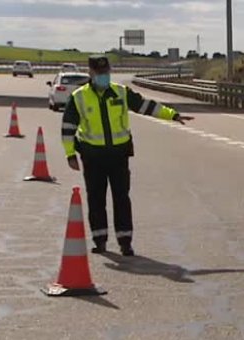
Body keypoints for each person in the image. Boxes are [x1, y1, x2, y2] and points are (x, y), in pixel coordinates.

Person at [61, 55, 193, 256]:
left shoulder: (121, 92)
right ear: (91, 73)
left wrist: (172, 115)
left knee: (121, 198)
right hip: (93, 157)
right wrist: (70, 155)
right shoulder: (79, 97)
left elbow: (145, 106)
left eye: (106, 73)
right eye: (99, 74)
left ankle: (125, 242)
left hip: (118, 156)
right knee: (96, 199)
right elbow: (68, 127)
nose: (103, 77)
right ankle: (100, 240)